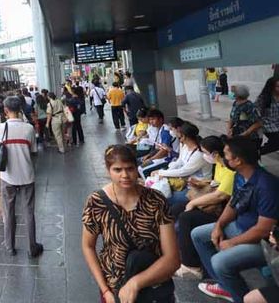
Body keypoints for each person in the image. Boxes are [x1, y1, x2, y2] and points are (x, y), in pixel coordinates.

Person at [82, 145, 180, 303]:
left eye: (130, 169)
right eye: (117, 170)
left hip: (154, 282)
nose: (125, 175)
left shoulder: (156, 200)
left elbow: (172, 258)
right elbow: (88, 246)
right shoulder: (96, 202)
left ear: (136, 168)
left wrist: (135, 283)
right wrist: (105, 290)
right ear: (108, 171)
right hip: (114, 286)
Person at [192, 137, 279, 303]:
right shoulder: (239, 176)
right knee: (198, 234)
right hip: (238, 226)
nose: (223, 158)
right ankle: (225, 285)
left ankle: (241, 298)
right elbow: (233, 204)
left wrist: (233, 243)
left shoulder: (267, 185)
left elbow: (263, 229)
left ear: (238, 160)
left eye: (226, 154)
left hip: (261, 242)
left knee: (220, 262)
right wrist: (219, 225)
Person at [174, 136, 236, 280]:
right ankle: (177, 250)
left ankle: (191, 265)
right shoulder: (219, 165)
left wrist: (193, 203)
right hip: (211, 204)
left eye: (205, 152)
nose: (204, 156)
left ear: (215, 153)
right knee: (176, 208)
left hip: (220, 211)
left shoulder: (230, 170)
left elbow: (220, 196)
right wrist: (201, 183)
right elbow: (215, 183)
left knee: (186, 218)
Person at [0, 96, 43, 258]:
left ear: (6, 111)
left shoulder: (0, 129)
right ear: (20, 108)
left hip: (7, 177)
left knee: (9, 212)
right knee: (29, 212)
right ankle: (32, 247)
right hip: (27, 176)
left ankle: (10, 246)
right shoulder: (28, 128)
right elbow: (34, 151)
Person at [153, 123, 211, 206]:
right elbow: (179, 162)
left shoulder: (198, 154)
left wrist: (161, 172)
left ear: (184, 136)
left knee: (166, 198)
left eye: (177, 132)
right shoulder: (184, 146)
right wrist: (166, 172)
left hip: (197, 187)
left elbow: (183, 171)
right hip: (184, 182)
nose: (175, 133)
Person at [255, 76, 279, 155]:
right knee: (276, 141)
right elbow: (255, 112)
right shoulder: (264, 98)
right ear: (271, 87)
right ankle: (256, 153)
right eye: (277, 86)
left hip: (277, 123)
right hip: (267, 124)